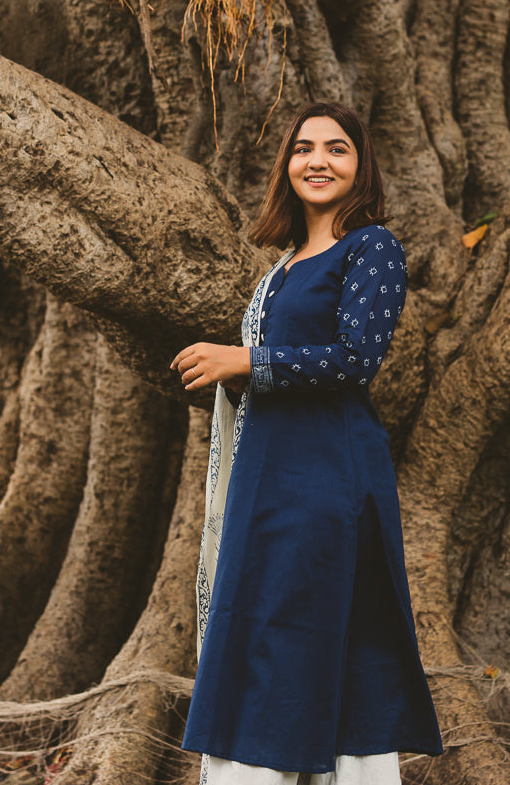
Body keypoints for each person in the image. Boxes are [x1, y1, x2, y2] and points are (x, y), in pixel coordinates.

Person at [171, 102, 443, 785]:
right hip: (269, 476)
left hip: (326, 480)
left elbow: (357, 357)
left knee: (307, 629)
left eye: (336, 149)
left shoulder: (370, 247)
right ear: (285, 166)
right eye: (302, 148)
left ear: (361, 167)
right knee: (264, 624)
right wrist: (237, 375)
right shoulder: (286, 263)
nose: (317, 160)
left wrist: (243, 362)